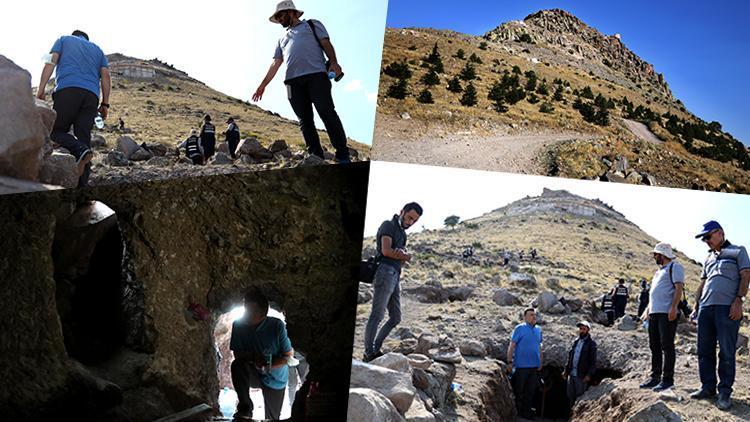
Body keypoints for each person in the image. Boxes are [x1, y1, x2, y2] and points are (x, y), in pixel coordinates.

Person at [252, 1, 351, 163]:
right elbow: (276, 63)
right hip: (292, 82)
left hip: (317, 76)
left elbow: (326, 43)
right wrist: (263, 85)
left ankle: (342, 153)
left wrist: (333, 62)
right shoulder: (281, 38)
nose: (279, 20)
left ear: (291, 12)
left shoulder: (312, 25)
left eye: (280, 16)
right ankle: (315, 156)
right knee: (304, 120)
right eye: (277, 18)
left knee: (327, 112)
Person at [36, 30, 111, 187]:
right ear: (86, 38)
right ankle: (82, 188)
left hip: (68, 90)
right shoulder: (98, 50)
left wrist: (41, 89)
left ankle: (79, 149)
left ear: (74, 35)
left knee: (55, 132)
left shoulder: (63, 40)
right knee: (84, 137)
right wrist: (105, 104)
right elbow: (106, 76)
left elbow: (50, 61)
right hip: (91, 96)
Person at [689, 221, 749, 410]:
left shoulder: (738, 251)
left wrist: (739, 300)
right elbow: (703, 283)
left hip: (727, 308)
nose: (705, 241)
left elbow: (746, 275)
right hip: (706, 308)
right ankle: (707, 387)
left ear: (720, 233)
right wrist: (696, 305)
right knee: (704, 350)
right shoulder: (708, 258)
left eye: (708, 236)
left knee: (726, 351)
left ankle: (724, 392)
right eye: (703, 238)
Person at [363, 202, 423, 362]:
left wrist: (402, 256)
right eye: (409, 217)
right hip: (384, 272)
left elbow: (399, 258)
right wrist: (404, 256)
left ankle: (376, 347)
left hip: (395, 274)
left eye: (414, 221)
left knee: (396, 317)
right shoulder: (388, 225)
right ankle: (369, 353)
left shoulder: (403, 234)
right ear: (402, 211)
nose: (410, 222)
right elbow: (386, 251)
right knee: (377, 315)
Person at [230, 291, 294, 421]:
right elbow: (238, 354)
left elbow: (288, 356)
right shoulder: (238, 325)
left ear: (262, 314)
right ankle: (245, 409)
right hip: (253, 372)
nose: (245, 315)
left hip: (275, 377)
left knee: (272, 418)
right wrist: (254, 357)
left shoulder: (277, 326)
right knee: (237, 365)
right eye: (245, 310)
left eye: (249, 312)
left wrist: (269, 364)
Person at [639, 242, 684, 392]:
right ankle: (655, 377)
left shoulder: (675, 267)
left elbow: (678, 288)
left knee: (667, 346)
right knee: (654, 346)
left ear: (662, 254)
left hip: (667, 313)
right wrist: (647, 310)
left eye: (655, 254)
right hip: (654, 313)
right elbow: (654, 294)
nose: (654, 257)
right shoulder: (658, 272)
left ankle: (668, 380)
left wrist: (673, 307)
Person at [507, 308, 543, 419]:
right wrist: (509, 362)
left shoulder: (538, 329)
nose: (534, 317)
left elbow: (540, 346)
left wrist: (541, 362)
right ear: (525, 317)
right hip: (521, 367)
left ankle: (526, 413)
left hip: (534, 367)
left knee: (530, 391)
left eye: (535, 315)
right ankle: (517, 414)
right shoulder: (520, 328)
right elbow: (512, 345)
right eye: (531, 315)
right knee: (519, 391)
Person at [562, 321, 597, 406]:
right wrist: (566, 371)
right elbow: (570, 358)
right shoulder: (576, 341)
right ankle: (571, 415)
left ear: (588, 330)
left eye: (584, 329)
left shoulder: (591, 344)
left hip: (581, 376)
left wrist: (588, 375)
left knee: (579, 398)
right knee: (570, 396)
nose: (581, 331)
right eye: (580, 329)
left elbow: (593, 362)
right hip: (571, 374)